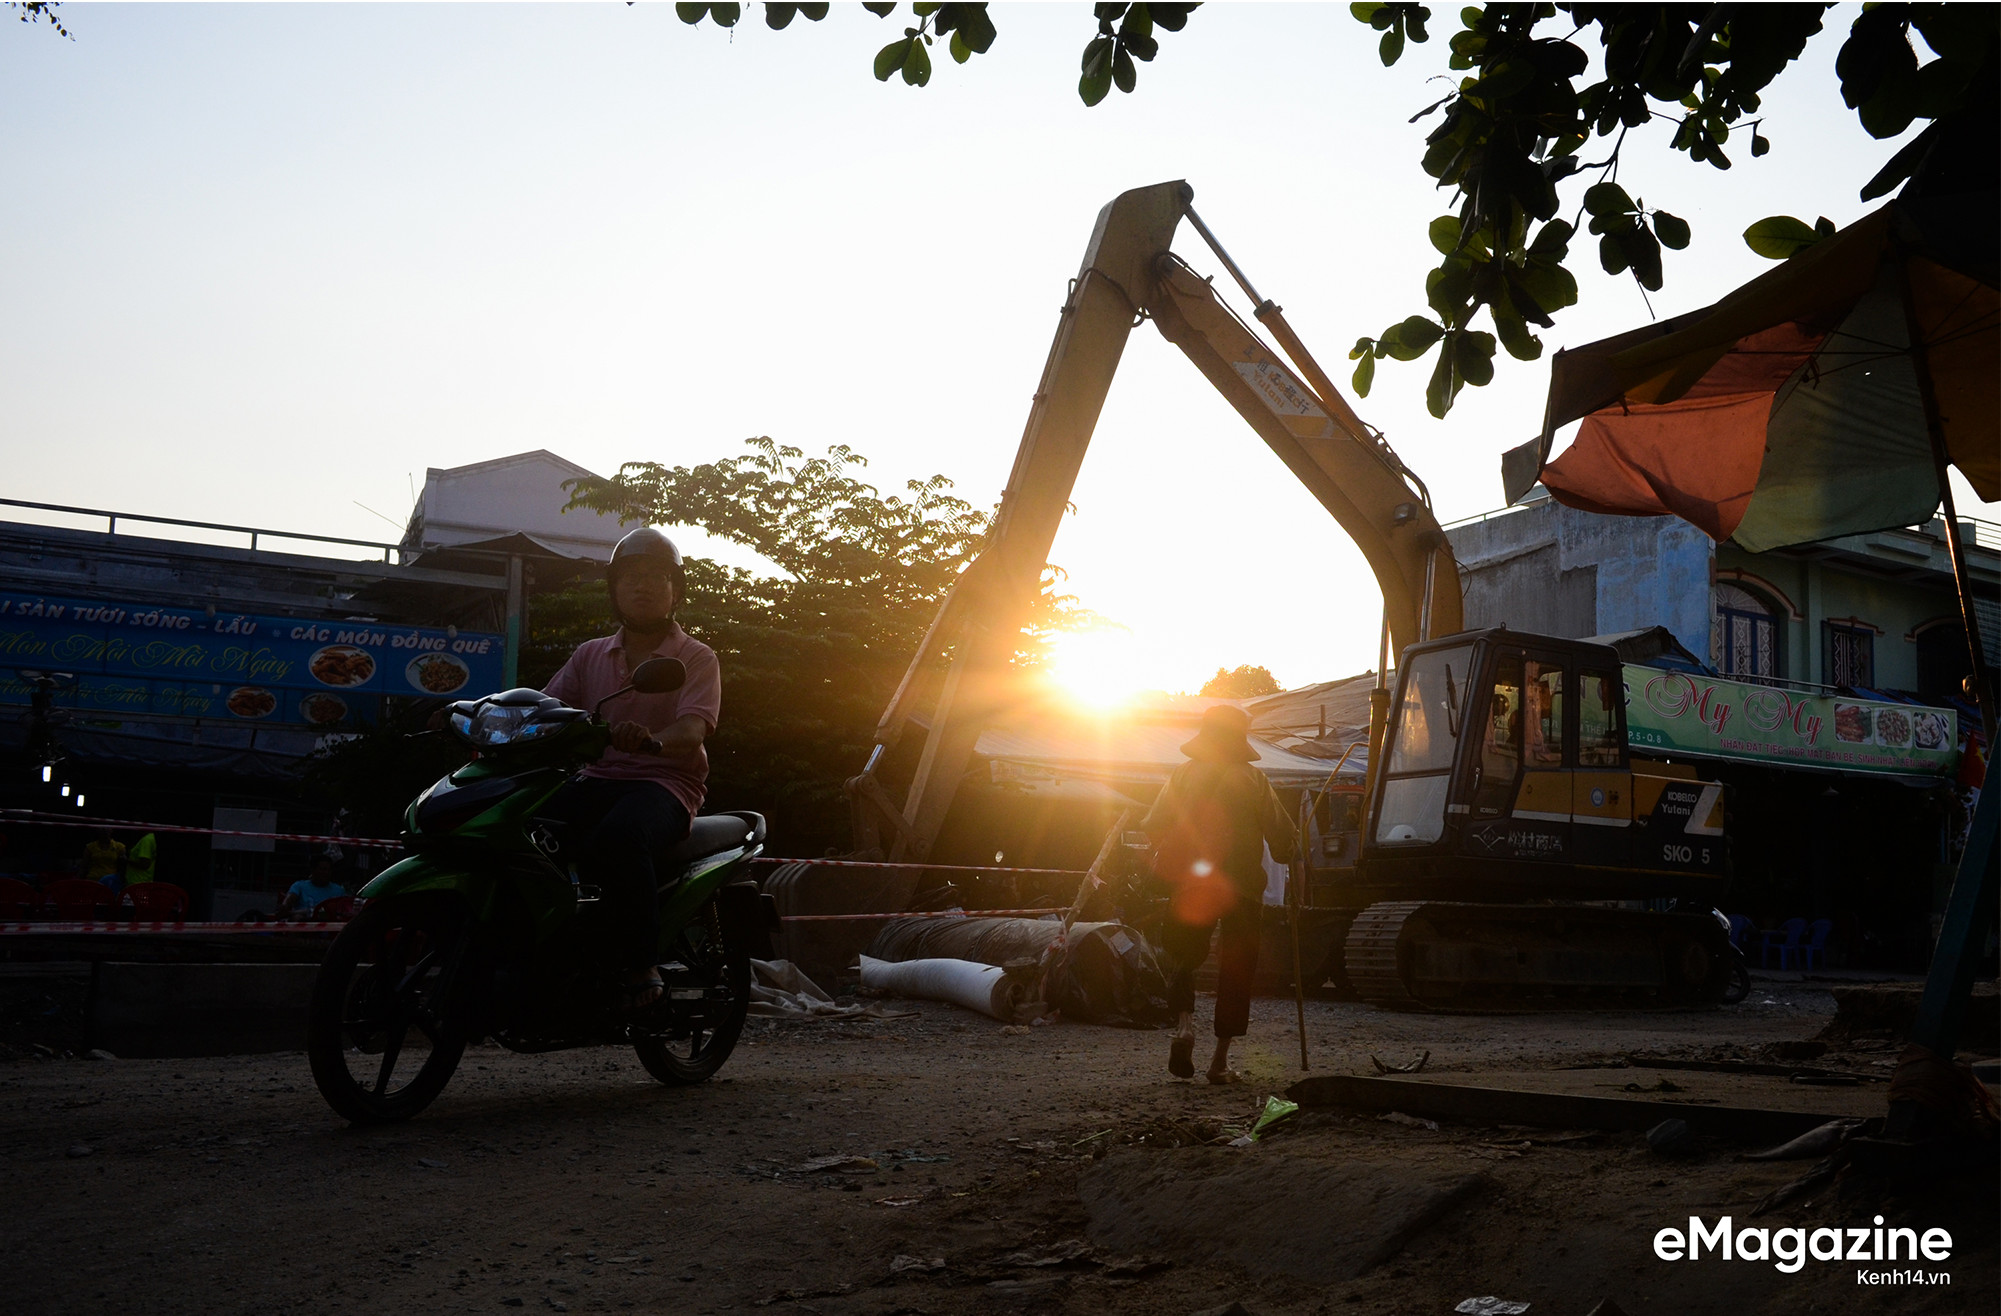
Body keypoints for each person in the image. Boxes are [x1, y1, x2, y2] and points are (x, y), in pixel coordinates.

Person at [541, 526, 722, 1010]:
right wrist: (468, 710)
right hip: (597, 778)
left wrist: (652, 742)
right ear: (615, 589)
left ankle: (643, 965)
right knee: (525, 826)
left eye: (656, 576)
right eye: (631, 577)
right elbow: (546, 708)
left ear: (675, 589)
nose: (642, 586)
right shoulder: (590, 654)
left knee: (619, 837)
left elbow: (693, 730)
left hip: (666, 783)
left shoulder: (696, 657)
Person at [1141, 703, 1296, 1084]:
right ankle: (1219, 1062)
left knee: (1184, 956)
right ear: (1240, 737)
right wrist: (1291, 843)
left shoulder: (1182, 775)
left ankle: (1184, 1027)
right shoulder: (1253, 780)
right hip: (1244, 888)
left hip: (1194, 884)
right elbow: (1283, 842)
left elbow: (1154, 823)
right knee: (1237, 969)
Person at [279, 854, 348, 918]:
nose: (326, 873)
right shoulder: (299, 886)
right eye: (322, 869)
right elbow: (286, 905)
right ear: (313, 870)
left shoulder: (338, 890)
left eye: (328, 870)